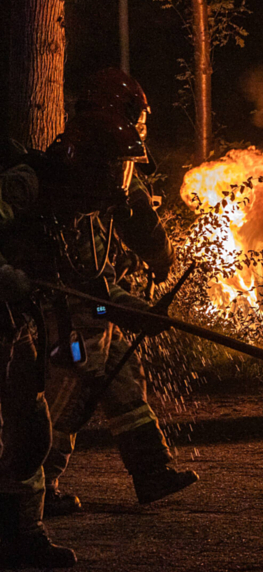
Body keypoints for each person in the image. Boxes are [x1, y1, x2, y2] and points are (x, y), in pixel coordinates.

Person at [37, 69, 198, 516]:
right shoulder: (69, 186)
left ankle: (151, 470)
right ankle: (38, 489)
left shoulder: (104, 164)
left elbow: (102, 270)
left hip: (92, 309)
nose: (118, 179)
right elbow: (85, 282)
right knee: (69, 394)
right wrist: (132, 303)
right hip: (70, 315)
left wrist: (130, 305)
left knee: (123, 379)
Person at [0, 155, 77, 568]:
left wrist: (130, 308)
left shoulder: (72, 204)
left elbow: (78, 279)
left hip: (13, 322)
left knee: (32, 432)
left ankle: (23, 534)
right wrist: (6, 276)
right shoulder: (23, 185)